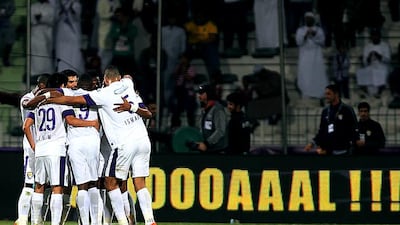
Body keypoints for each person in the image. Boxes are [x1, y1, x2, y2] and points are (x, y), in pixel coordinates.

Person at [45, 66, 157, 225]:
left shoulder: (102, 94)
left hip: (122, 142)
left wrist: (48, 98)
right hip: (143, 139)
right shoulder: (128, 85)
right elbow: (130, 79)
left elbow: (72, 100)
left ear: (106, 80)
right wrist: (130, 103)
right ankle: (149, 220)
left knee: (109, 182)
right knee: (139, 183)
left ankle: (122, 222)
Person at [61, 73, 102, 225]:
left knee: (81, 185)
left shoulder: (69, 96)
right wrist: (92, 123)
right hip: (93, 141)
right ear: (91, 84)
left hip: (75, 143)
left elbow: (70, 120)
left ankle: (84, 222)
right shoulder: (97, 97)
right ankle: (96, 222)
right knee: (93, 183)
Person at [14, 74, 49, 225]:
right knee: (29, 183)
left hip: (44, 145)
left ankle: (37, 219)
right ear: (42, 86)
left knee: (40, 184)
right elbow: (28, 105)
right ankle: (22, 219)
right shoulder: (26, 98)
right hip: (31, 146)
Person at [304, 84, 358, 155]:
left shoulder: (347, 109)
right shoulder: (325, 111)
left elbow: (356, 127)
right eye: (325, 94)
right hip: (328, 151)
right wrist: (312, 143)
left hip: (344, 150)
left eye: (329, 94)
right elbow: (322, 131)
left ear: (336, 94)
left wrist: (356, 143)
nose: (326, 96)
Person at [295, 12, 329, 101]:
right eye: (307, 18)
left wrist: (314, 35)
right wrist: (305, 35)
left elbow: (322, 41)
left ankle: (319, 94)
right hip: (305, 57)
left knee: (317, 75)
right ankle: (306, 93)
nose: (308, 20)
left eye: (310, 18)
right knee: (305, 75)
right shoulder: (301, 30)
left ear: (313, 20)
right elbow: (298, 42)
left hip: (316, 56)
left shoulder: (319, 30)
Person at [189, 84, 228, 153]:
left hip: (217, 151)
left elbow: (220, 131)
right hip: (207, 150)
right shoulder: (204, 110)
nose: (199, 96)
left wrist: (207, 143)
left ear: (208, 94)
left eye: (201, 93)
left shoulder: (218, 110)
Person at [356, 29, 391, 98]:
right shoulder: (367, 46)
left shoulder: (385, 45)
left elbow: (388, 60)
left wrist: (379, 56)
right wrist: (369, 57)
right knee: (361, 72)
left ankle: (379, 93)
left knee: (382, 73)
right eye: (373, 36)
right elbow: (364, 62)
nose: (375, 37)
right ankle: (366, 93)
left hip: (382, 66)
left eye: (376, 36)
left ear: (379, 36)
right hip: (371, 66)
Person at [55, 0, 85, 73]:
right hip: (62, 33)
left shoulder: (76, 3)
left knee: (75, 54)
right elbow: (55, 16)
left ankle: (74, 72)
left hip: (74, 32)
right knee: (62, 54)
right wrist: (62, 10)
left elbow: (77, 15)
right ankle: (61, 72)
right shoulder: (59, 4)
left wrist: (71, 9)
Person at [170, 52, 197, 130]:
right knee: (176, 111)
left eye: (183, 58)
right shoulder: (179, 67)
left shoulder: (190, 68)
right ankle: (175, 126)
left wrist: (184, 71)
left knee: (190, 112)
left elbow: (190, 77)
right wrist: (179, 70)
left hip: (188, 93)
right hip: (179, 92)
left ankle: (191, 127)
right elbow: (174, 76)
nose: (182, 60)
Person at [30, 0, 55, 76]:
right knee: (36, 52)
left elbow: (52, 19)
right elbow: (32, 19)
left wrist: (42, 18)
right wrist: (38, 18)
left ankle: (47, 72)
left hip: (47, 32)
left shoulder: (50, 7)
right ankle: (35, 72)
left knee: (46, 52)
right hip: (36, 32)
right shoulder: (33, 6)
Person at [0, 0, 15, 66]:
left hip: (6, 25)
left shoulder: (10, 1)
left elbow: (12, 10)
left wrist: (5, 13)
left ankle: (6, 59)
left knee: (9, 42)